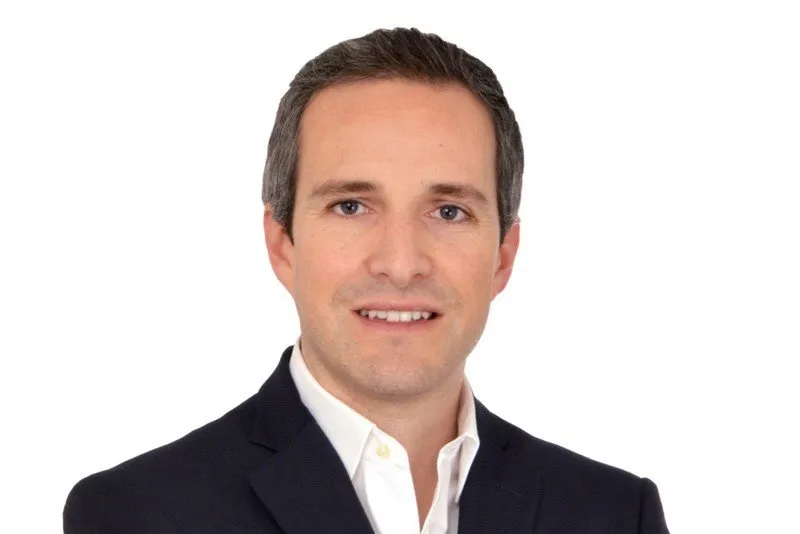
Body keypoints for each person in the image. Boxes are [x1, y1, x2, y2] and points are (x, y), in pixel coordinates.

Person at [63, 27, 669, 533]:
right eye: (351, 206)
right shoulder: (139, 515)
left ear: (503, 255)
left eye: (448, 211)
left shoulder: (615, 515)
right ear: (282, 243)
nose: (401, 264)